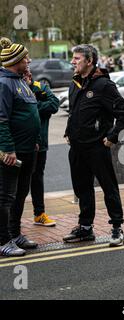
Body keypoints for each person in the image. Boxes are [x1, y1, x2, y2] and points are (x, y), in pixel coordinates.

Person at [63, 44, 124, 247]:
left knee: (109, 188)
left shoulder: (104, 86)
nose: (72, 62)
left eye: (77, 59)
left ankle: (117, 228)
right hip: (77, 148)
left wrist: (112, 137)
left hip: (97, 148)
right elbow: (74, 112)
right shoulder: (75, 83)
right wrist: (68, 131)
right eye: (73, 58)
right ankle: (85, 228)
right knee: (82, 189)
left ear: (89, 61)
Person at [0, 37, 41, 257]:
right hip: (11, 153)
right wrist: (7, 149)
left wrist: (33, 140)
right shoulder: (4, 83)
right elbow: (1, 119)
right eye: (26, 58)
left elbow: (27, 113)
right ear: (16, 61)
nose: (29, 60)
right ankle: (3, 240)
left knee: (20, 194)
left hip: (27, 149)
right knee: (5, 196)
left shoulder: (19, 80)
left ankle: (15, 234)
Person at [22, 69, 59, 227]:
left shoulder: (40, 88)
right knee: (18, 183)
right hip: (21, 145)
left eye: (27, 74)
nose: (26, 76)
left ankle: (39, 214)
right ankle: (13, 216)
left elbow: (54, 104)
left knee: (37, 179)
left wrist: (33, 105)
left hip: (40, 144)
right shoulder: (12, 88)